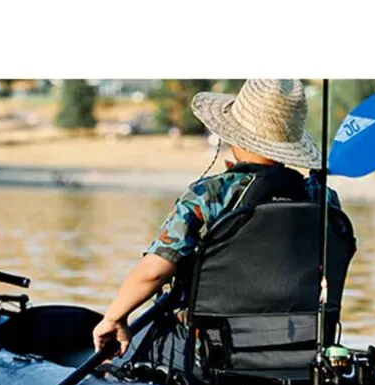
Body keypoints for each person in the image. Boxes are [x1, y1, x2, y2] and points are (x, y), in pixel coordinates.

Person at [92, 79, 343, 359]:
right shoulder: (324, 199)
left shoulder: (208, 195)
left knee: (133, 352)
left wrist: (114, 318)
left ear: (235, 135)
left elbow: (154, 270)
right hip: (298, 347)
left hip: (209, 351)